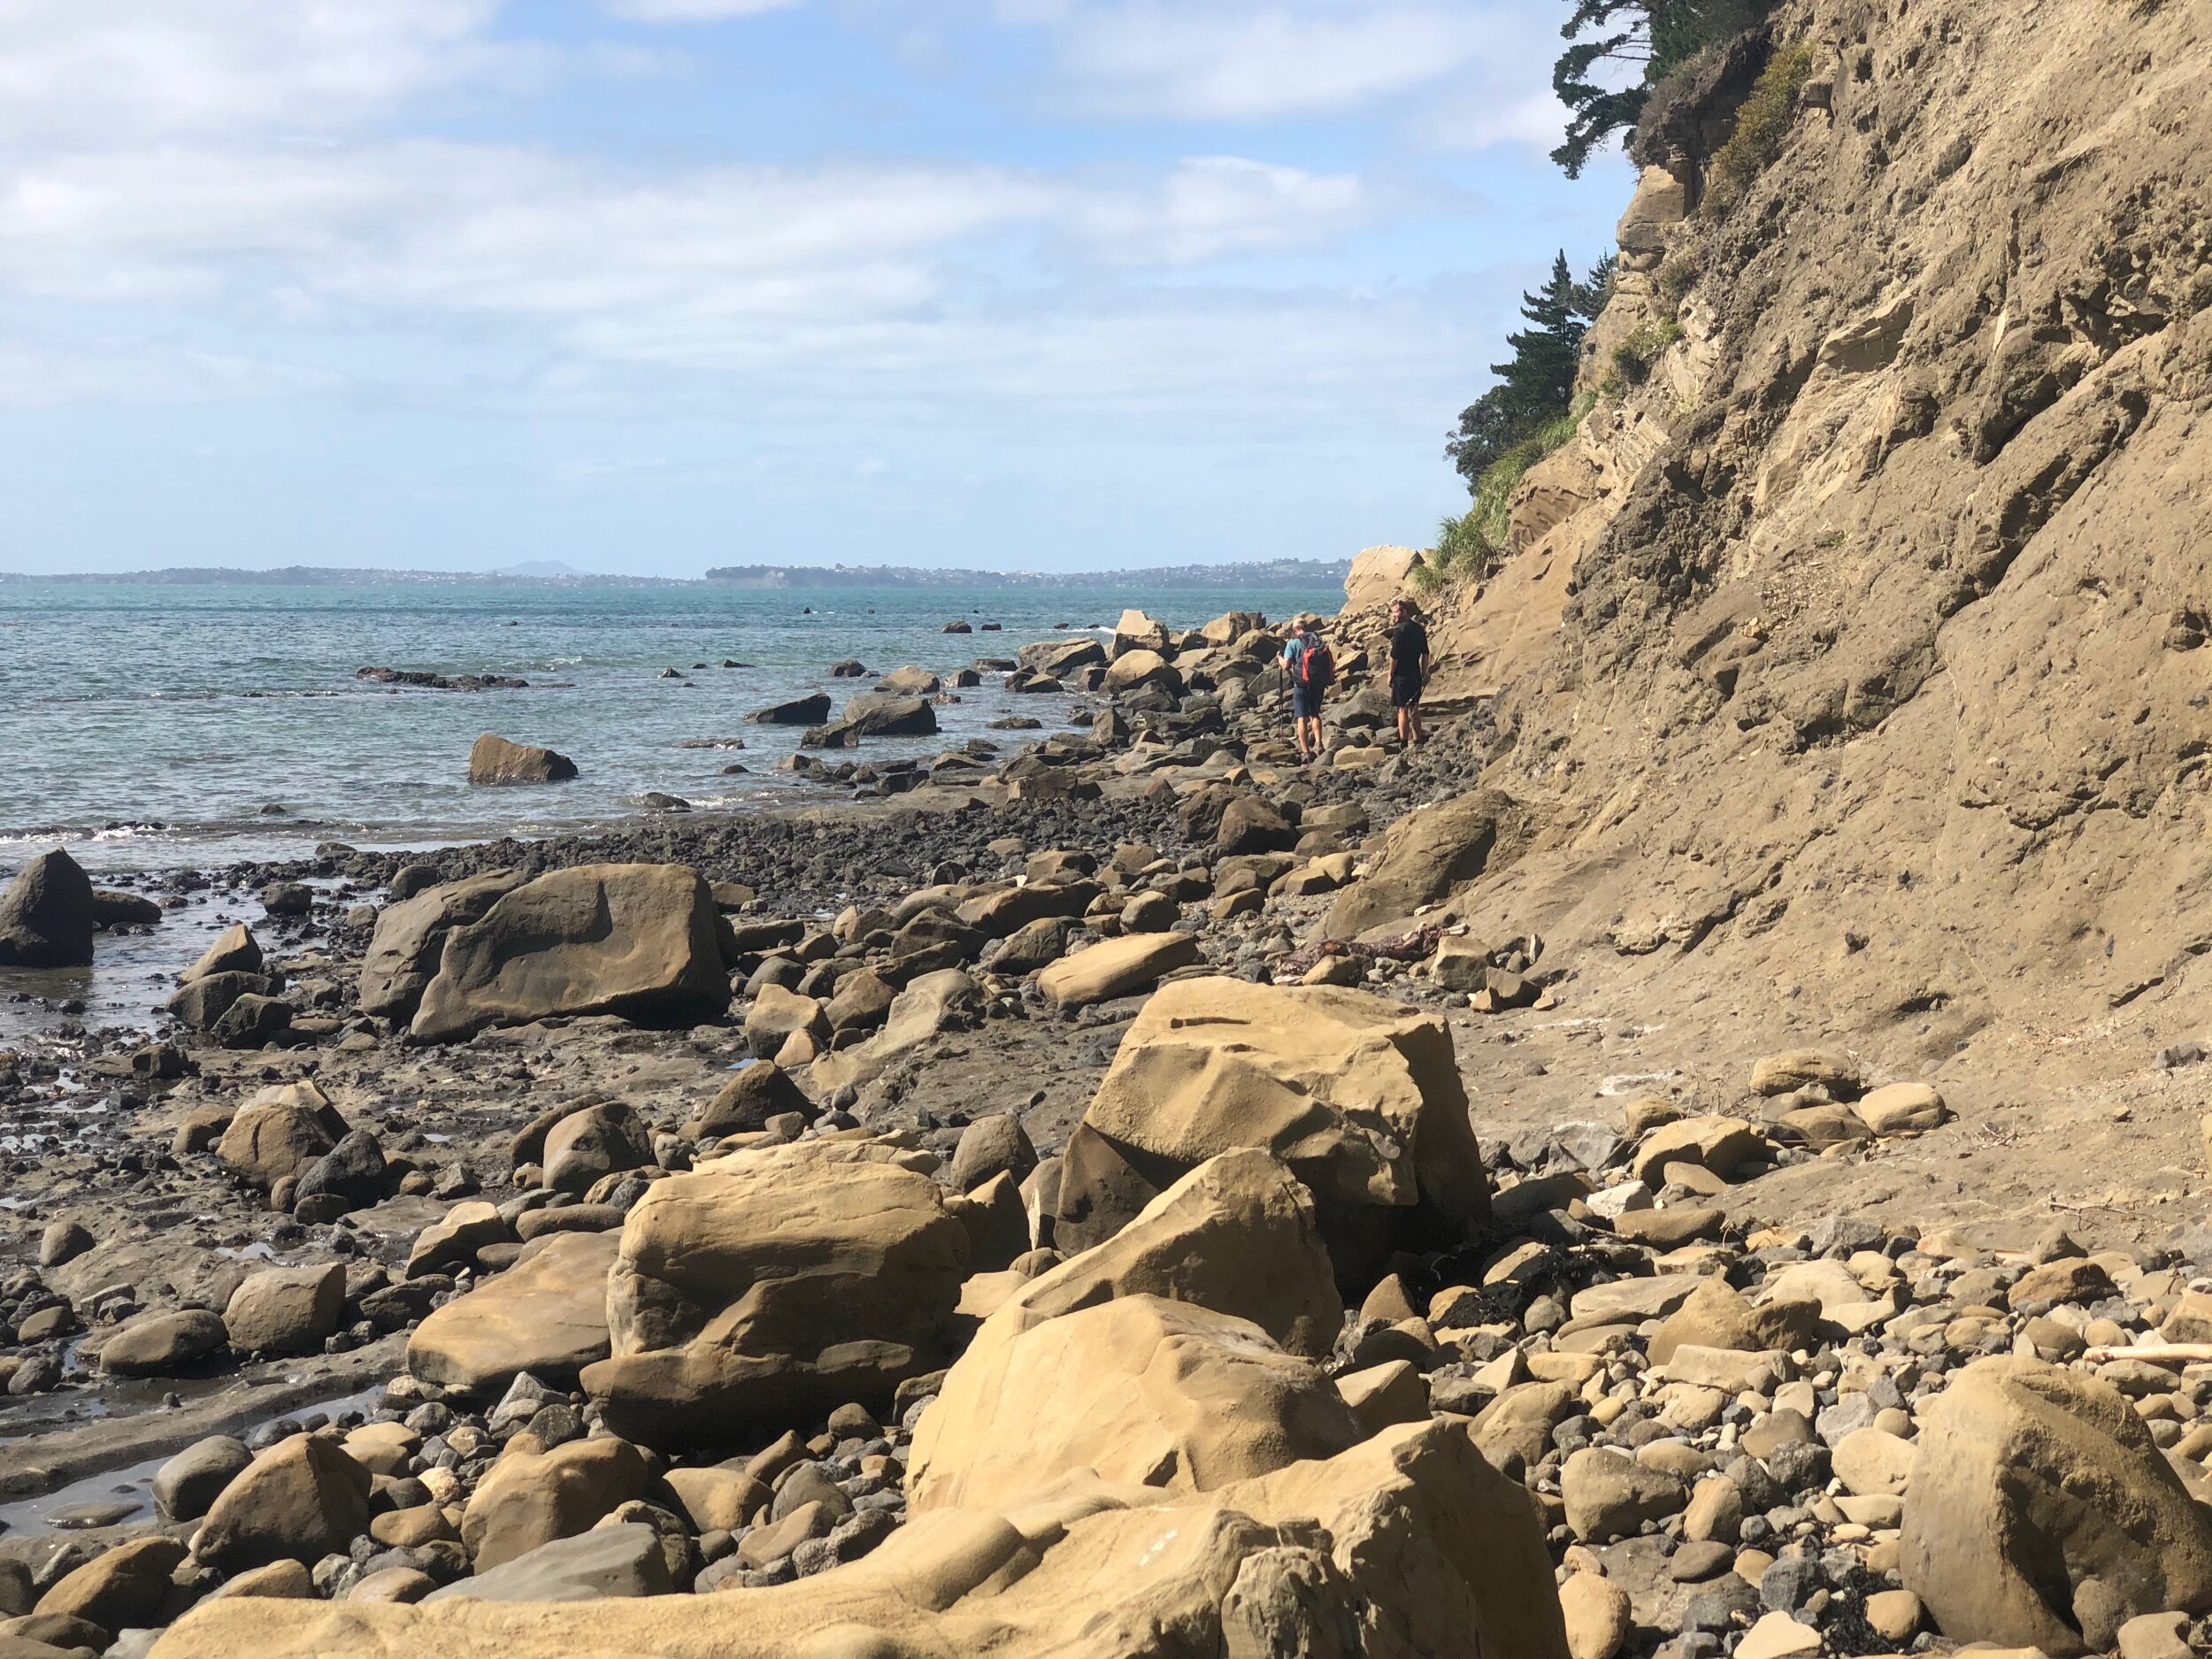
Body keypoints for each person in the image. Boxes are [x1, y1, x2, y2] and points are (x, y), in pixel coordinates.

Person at [1281, 619, 1333, 761]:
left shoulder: (1292, 643)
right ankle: (1319, 743)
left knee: (1302, 718)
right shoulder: (1316, 640)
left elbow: (1286, 665)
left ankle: (1306, 751)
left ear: (1294, 630)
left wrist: (1279, 659)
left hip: (1301, 684)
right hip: (1317, 682)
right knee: (1315, 714)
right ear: (1306, 628)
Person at [1387, 597, 1430, 746]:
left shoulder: (1400, 630)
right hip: (1415, 672)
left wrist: (1390, 674)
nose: (1394, 616)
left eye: (1396, 612)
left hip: (1401, 674)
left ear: (1405, 612)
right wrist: (1424, 673)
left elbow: (1394, 656)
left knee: (1402, 708)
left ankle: (1404, 742)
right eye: (1392, 613)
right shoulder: (1418, 629)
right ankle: (1417, 740)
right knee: (1414, 707)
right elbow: (1425, 654)